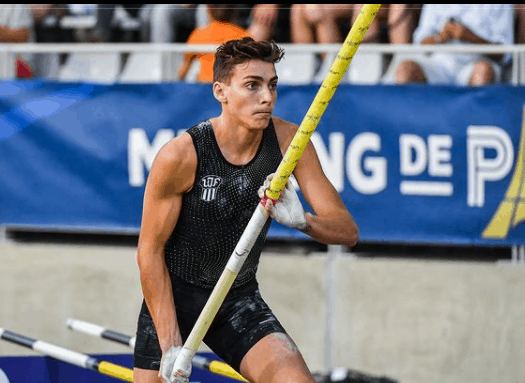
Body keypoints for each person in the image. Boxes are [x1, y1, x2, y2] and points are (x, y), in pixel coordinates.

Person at [134, 37, 358, 383]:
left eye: (272, 85)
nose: (266, 97)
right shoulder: (181, 155)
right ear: (220, 91)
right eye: (252, 86)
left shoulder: (289, 142)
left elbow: (347, 231)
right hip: (173, 299)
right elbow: (149, 252)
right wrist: (170, 345)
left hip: (237, 298)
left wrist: (304, 222)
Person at [389, 4, 514, 86]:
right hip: (439, 64)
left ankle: (473, 124)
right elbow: (421, 42)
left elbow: (504, 54)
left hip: (476, 62)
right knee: (405, 69)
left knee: (483, 71)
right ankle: (408, 125)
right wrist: (440, 38)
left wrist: (469, 36)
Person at [178, 4, 250, 83]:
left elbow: (183, 72)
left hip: (205, 85)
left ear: (208, 10)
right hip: (230, 86)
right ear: (235, 11)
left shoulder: (199, 35)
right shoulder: (244, 36)